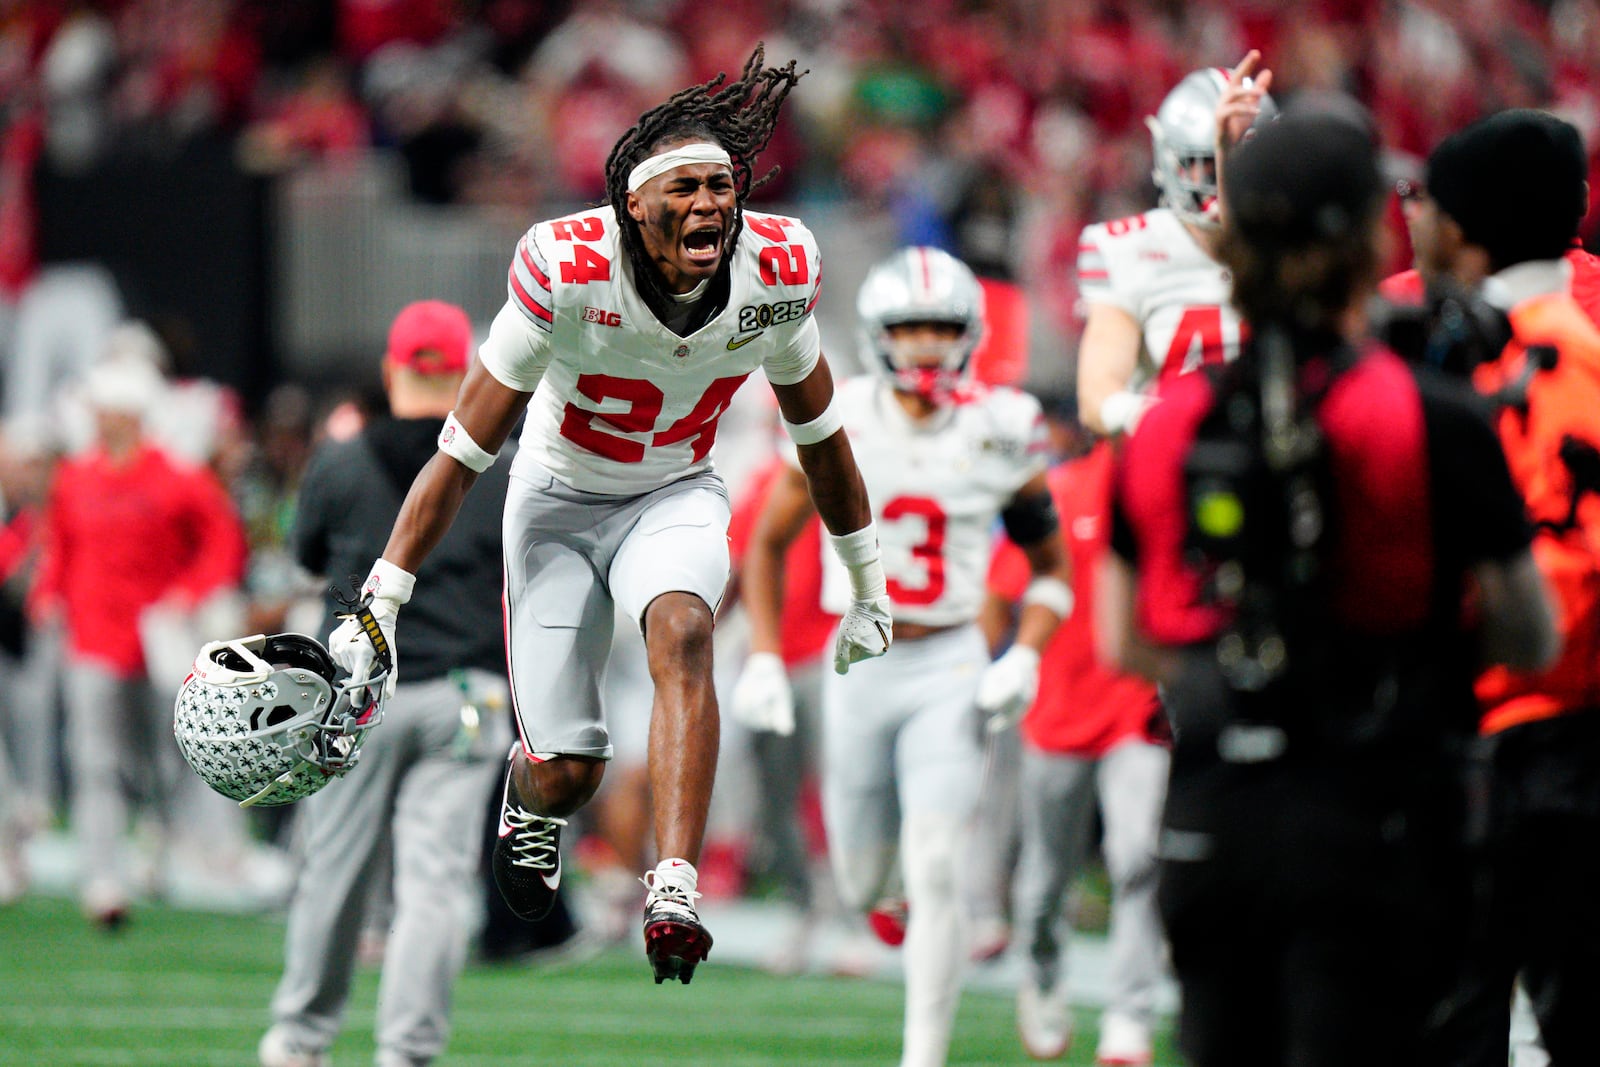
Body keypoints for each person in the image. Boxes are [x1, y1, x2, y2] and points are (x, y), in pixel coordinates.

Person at [329, 45, 891, 987]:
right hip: (553, 501)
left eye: (723, 186)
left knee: (684, 629)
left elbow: (822, 438)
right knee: (570, 771)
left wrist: (866, 577)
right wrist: (380, 601)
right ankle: (529, 793)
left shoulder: (778, 270)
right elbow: (462, 452)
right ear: (633, 205)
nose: (710, 204)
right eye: (685, 189)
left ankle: (672, 884)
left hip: (675, 490)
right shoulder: (565, 269)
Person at [1099, 97, 1559, 1067]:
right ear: (1364, 238)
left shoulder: (1166, 425)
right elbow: (1531, 633)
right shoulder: (1433, 414)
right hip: (1385, 813)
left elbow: (1124, 639)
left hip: (1215, 810)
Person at [735, 245, 1073, 1067]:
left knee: (937, 862)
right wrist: (768, 656)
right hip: (858, 663)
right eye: (909, 327)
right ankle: (873, 898)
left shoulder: (1003, 424)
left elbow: (1052, 568)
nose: (925, 343)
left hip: (949, 660)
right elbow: (767, 545)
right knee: (862, 881)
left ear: (969, 334)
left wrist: (1023, 652)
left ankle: (923, 1054)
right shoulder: (839, 413)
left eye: (941, 327)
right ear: (877, 333)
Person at [257, 300, 515, 1067]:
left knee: (333, 871)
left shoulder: (340, 458)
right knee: (434, 885)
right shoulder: (500, 466)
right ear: (467, 370)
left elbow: (304, 557)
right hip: (468, 694)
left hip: (360, 696)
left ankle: (300, 1038)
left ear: (391, 370)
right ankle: (406, 1051)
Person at [1400, 108, 1600, 1067]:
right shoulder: (1589, 350)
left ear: (1467, 222)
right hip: (1585, 733)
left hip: (1473, 733)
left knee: (1454, 1012)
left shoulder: (1436, 363)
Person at [30, 353, 247, 928]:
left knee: (168, 755)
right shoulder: (76, 477)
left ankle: (164, 847)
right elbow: (62, 547)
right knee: (95, 760)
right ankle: (103, 877)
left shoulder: (175, 477)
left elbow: (223, 541)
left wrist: (189, 593)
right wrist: (48, 594)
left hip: (156, 639)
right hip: (94, 639)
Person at [983, 395, 1169, 1065]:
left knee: (1139, 855)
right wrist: (996, 670)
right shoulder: (1057, 491)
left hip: (1136, 709)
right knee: (1043, 878)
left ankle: (1130, 1016)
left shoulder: (1168, 494)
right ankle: (1043, 970)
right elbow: (1000, 591)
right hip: (1057, 710)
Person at [1076, 53, 1274, 438]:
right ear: (1172, 160)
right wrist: (1177, 423)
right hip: (1167, 455)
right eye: (1209, 162)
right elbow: (1097, 399)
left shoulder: (1292, 246)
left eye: (1240, 162)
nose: (1223, 181)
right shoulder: (1127, 247)